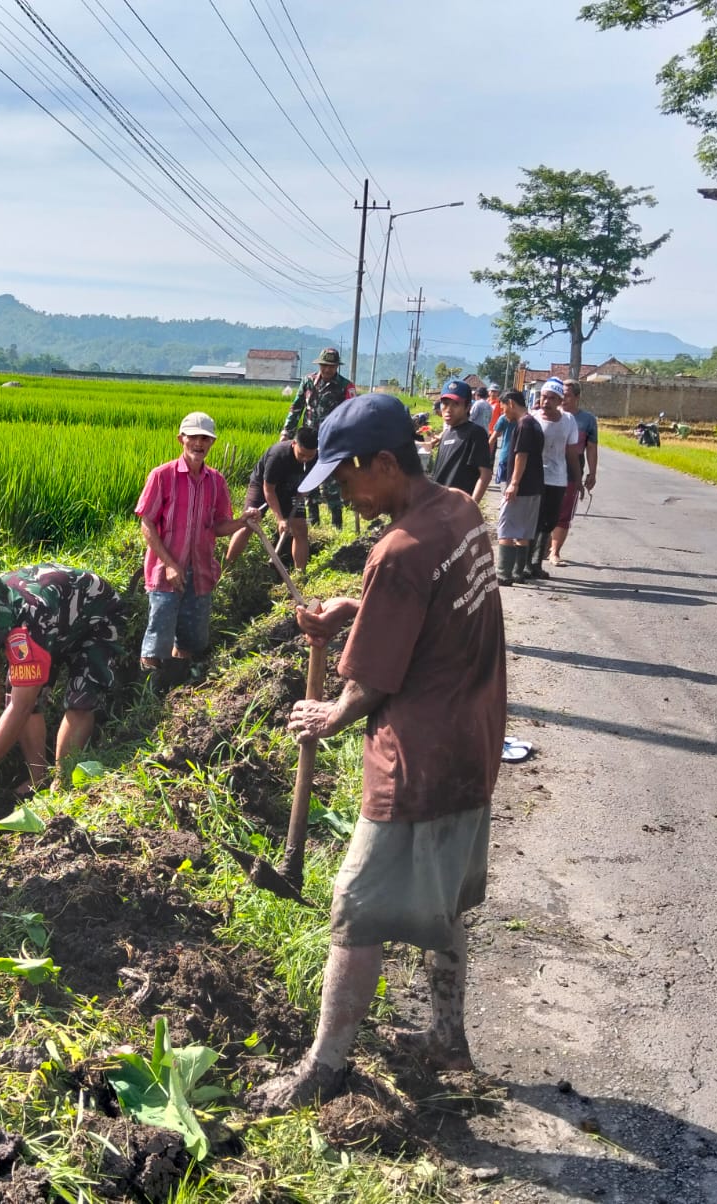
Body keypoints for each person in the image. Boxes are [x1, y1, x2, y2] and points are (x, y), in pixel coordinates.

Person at [247, 392, 506, 1112]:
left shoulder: (396, 551)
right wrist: (353, 611)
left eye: (346, 479)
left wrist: (330, 713)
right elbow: (431, 615)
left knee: (356, 908)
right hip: (473, 741)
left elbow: (369, 682)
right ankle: (448, 1038)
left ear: (385, 464)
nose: (341, 493)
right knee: (443, 898)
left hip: (418, 758)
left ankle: (321, 1068)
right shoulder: (457, 512)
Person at [0, 565, 125, 798]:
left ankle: (62, 781)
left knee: (80, 697)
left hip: (97, 619)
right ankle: (38, 777)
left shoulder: (28, 620)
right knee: (20, 694)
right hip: (57, 620)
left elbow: (21, 705)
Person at [136, 412, 261, 683]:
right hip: (165, 573)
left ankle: (179, 688)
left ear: (212, 443)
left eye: (205, 438)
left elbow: (218, 526)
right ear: (181, 439)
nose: (199, 443)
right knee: (158, 638)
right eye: (193, 437)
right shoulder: (162, 476)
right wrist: (170, 564)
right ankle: (150, 697)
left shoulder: (216, 481)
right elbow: (147, 524)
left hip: (201, 572)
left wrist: (242, 522)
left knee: (192, 639)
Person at [225, 426, 319, 575]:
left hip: (291, 487)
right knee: (248, 523)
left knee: (300, 528)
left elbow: (316, 476)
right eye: (302, 455)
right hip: (263, 486)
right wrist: (280, 519)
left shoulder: (316, 457)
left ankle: (300, 574)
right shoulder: (278, 456)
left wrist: (307, 488)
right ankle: (227, 568)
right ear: (294, 443)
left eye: (310, 456)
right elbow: (269, 490)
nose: (306, 459)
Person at [283, 348, 355, 527]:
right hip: (309, 440)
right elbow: (296, 408)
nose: (327, 370)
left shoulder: (346, 386)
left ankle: (337, 524)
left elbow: (352, 414)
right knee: (309, 480)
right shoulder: (308, 382)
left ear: (337, 367)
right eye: (324, 366)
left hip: (332, 440)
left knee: (331, 484)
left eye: (332, 366)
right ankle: (313, 522)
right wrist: (287, 432)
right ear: (319, 365)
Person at [524, 377, 580, 580]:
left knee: (549, 522)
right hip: (534, 478)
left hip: (557, 479)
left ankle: (536, 564)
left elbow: (572, 452)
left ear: (560, 401)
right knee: (532, 521)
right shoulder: (532, 418)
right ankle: (525, 564)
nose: (546, 402)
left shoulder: (568, 421)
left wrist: (578, 479)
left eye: (551, 398)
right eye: (543, 397)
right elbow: (522, 452)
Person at [494, 390, 543, 587]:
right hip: (535, 486)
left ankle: (503, 573)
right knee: (523, 531)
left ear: (511, 403)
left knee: (505, 529)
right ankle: (518, 572)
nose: (503, 411)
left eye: (503, 406)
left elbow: (521, 455)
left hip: (521, 487)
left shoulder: (523, 424)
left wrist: (513, 483)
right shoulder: (535, 423)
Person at [550, 380, 600, 566]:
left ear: (577, 397)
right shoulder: (550, 415)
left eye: (568, 396)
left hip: (572, 468)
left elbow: (591, 448)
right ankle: (542, 547)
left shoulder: (587, 420)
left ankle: (554, 552)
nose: (564, 400)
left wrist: (592, 473)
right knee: (546, 510)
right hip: (550, 465)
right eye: (561, 395)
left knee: (564, 512)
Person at [430, 383, 493, 505]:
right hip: (438, 506)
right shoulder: (447, 432)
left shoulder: (475, 433)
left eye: (456, 404)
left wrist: (471, 507)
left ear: (468, 407)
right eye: (445, 403)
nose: (448, 409)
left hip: (457, 509)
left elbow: (485, 474)